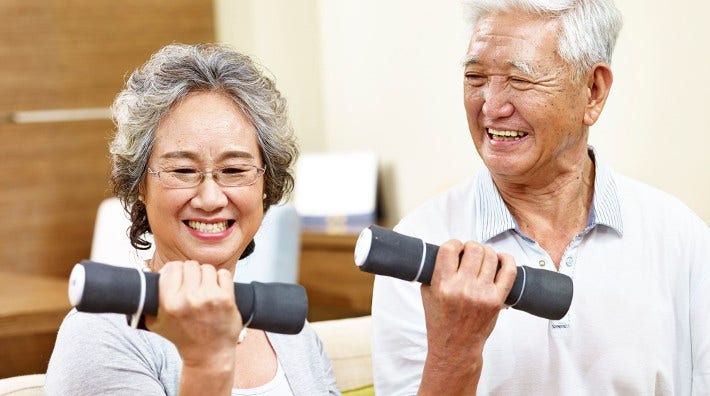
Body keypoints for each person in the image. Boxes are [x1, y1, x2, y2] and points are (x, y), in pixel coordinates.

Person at [371, 0, 710, 394]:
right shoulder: (422, 244)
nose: (492, 107)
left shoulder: (679, 236)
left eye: (520, 80)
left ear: (593, 91)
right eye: (476, 77)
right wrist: (455, 352)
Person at [45, 43, 340, 395]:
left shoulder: (292, 333)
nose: (211, 198)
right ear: (140, 185)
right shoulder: (98, 333)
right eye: (183, 170)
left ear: (266, 184)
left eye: (234, 169)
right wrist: (208, 361)